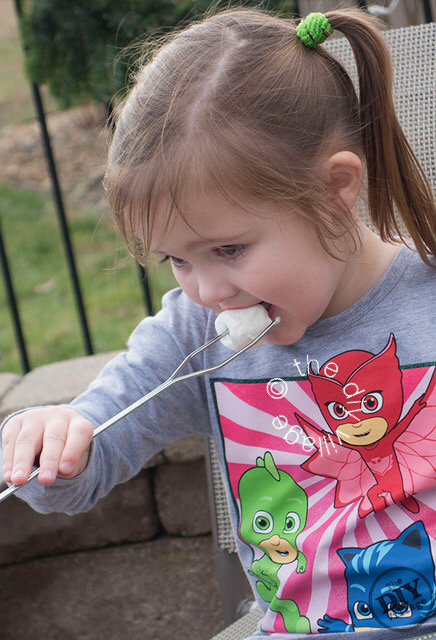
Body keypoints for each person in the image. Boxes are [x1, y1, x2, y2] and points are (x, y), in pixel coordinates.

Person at [2, 7, 436, 638]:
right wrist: (50, 439)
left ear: (336, 189)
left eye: (229, 250)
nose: (208, 290)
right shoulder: (193, 333)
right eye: (178, 258)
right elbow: (90, 456)